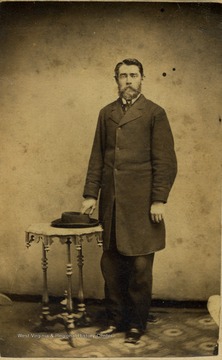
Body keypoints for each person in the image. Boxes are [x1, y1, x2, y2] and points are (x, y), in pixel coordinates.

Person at [81, 58, 177, 344]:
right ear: (116, 80)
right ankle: (114, 320)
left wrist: (159, 199)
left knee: (139, 268)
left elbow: (166, 162)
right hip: (112, 203)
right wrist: (90, 194)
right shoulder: (106, 113)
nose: (128, 81)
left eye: (133, 75)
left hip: (142, 205)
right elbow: (97, 157)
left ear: (143, 79)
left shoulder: (155, 113)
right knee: (110, 265)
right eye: (123, 76)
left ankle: (136, 324)